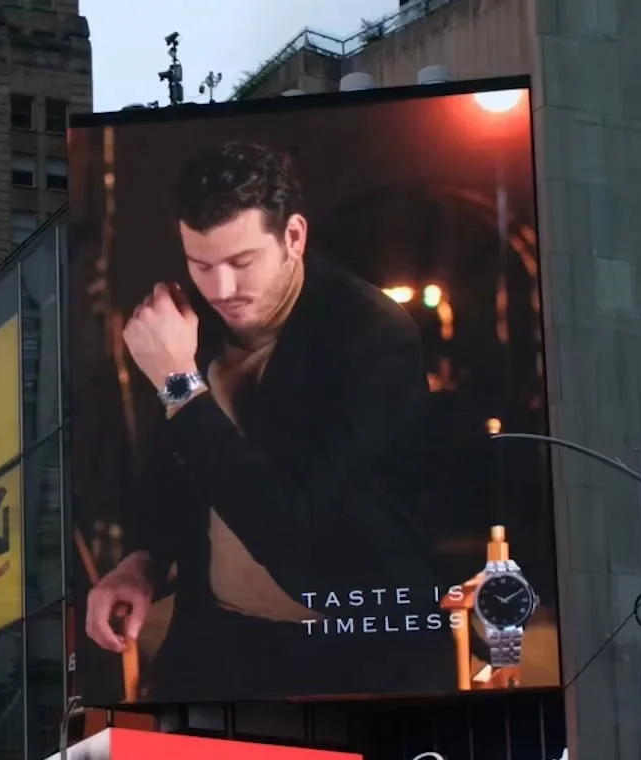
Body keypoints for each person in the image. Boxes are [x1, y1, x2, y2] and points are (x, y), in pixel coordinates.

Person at [84, 139, 438, 700]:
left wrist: (178, 383)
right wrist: (142, 564)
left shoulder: (373, 337)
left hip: (353, 650)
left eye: (240, 262)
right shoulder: (189, 323)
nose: (221, 288)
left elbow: (291, 529)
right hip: (220, 639)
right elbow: (175, 478)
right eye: (200, 264)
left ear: (293, 237)